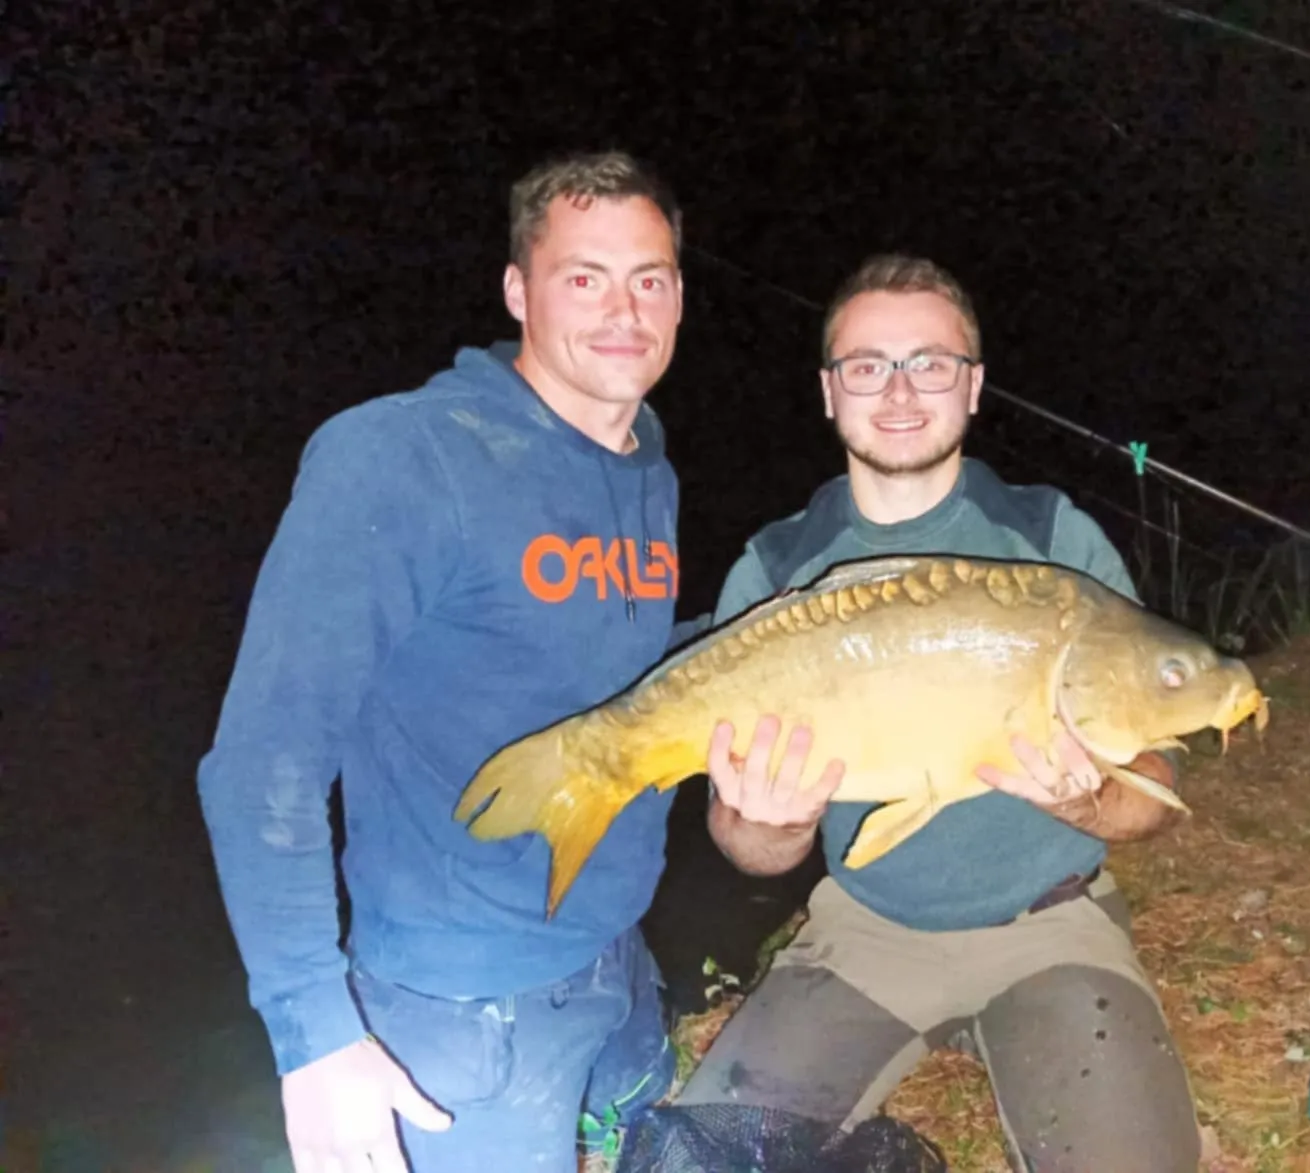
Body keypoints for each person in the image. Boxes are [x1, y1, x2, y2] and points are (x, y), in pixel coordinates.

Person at [197, 151, 691, 1173]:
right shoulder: (404, 457)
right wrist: (314, 1033)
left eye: (649, 277)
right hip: (465, 1010)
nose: (623, 310)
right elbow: (266, 755)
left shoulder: (647, 460)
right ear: (517, 291)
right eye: (582, 276)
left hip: (614, 957)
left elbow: (609, 678)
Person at [673, 255, 1202, 1171]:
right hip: (867, 926)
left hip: (1051, 920)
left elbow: (1154, 789)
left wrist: (1085, 803)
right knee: (705, 1158)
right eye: (869, 365)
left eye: (932, 361)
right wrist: (771, 824)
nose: (902, 389)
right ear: (829, 392)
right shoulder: (776, 566)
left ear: (975, 384)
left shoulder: (1052, 542)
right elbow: (748, 844)